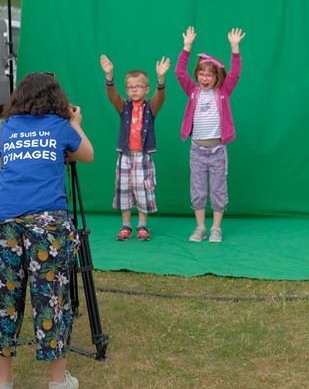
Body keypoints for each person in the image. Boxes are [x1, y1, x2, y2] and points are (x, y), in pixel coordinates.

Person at [0, 72, 94, 389]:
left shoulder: (9, 127)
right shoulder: (61, 125)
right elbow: (88, 154)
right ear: (58, 99)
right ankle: (58, 382)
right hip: (47, 222)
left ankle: (2, 381)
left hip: (4, 220)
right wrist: (76, 122)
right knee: (51, 301)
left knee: (3, 300)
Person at [175, 26, 245, 243]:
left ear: (216, 77)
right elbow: (179, 72)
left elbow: (235, 74)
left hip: (217, 151)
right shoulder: (193, 91)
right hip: (197, 150)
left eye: (209, 75)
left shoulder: (222, 93)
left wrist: (235, 48)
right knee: (197, 190)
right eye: (201, 74)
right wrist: (186, 47)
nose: (204, 78)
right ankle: (200, 228)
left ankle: (216, 228)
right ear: (197, 75)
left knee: (217, 190)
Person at [99, 54, 170, 241]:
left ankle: (142, 226)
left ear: (146, 89)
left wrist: (160, 78)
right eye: (130, 87)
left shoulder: (150, 107)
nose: (133, 90)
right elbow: (111, 95)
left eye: (138, 87)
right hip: (125, 156)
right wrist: (109, 75)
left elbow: (160, 96)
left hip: (143, 157)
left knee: (143, 190)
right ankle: (126, 226)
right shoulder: (123, 106)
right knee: (124, 189)